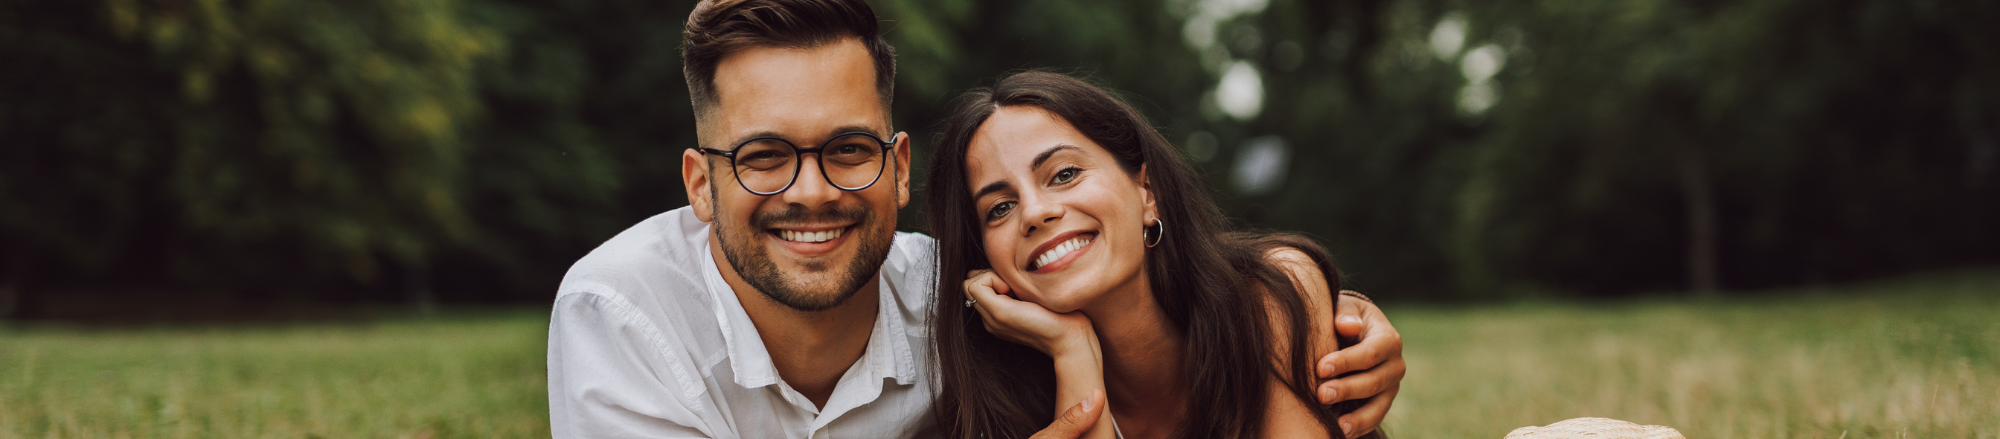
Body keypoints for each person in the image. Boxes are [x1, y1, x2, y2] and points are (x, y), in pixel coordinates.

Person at [547, 1, 1405, 438]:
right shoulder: (623, 311)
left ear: (898, 165)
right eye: (765, 155)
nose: (811, 191)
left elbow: (1241, 286)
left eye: (847, 147)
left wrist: (1322, 311)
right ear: (701, 183)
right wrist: (1072, 357)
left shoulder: (958, 306)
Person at [926, 70, 1389, 439]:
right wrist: (1072, 350)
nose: (1035, 212)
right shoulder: (995, 403)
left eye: (1064, 173)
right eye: (999, 208)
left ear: (1148, 192)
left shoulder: (1269, 295)